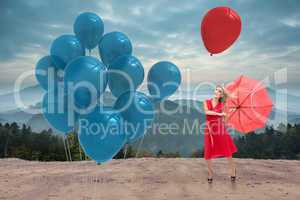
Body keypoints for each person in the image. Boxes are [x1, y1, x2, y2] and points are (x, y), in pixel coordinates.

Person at [203, 85, 237, 184]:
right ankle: (210, 174)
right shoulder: (206, 102)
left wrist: (230, 113)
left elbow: (225, 122)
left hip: (220, 129)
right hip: (209, 129)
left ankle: (233, 170)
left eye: (220, 91)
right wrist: (220, 114)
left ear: (222, 95)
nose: (217, 92)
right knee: (208, 151)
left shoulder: (223, 105)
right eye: (216, 90)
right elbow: (207, 112)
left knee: (227, 151)